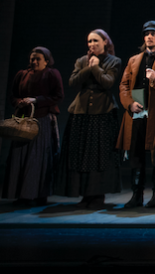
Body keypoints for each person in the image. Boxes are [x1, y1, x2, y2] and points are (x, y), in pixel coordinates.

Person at [54, 29, 122, 209]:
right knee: (81, 154)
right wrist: (88, 67)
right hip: (81, 113)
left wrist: (96, 67)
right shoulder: (82, 60)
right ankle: (84, 194)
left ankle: (97, 196)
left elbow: (108, 82)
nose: (92, 44)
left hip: (102, 113)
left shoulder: (114, 61)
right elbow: (72, 81)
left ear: (105, 42)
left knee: (99, 155)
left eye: (95, 40)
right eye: (89, 41)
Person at [117, 20, 155, 208]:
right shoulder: (133, 60)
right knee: (136, 153)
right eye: (147, 34)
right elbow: (124, 85)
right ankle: (137, 195)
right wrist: (129, 104)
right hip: (137, 110)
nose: (149, 37)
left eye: (153, 33)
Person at [3, 47, 64, 207]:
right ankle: (22, 195)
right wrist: (19, 102)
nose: (34, 62)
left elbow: (58, 96)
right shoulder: (22, 75)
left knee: (37, 158)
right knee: (20, 157)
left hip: (41, 120)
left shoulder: (51, 74)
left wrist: (36, 100)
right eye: (32, 59)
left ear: (46, 61)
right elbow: (13, 95)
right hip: (23, 121)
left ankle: (38, 194)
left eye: (38, 59)